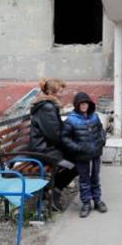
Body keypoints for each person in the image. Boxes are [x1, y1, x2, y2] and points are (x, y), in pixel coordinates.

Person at [29, 78, 77, 211]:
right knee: (78, 161)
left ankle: (52, 190)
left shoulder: (48, 105)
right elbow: (54, 135)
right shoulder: (47, 107)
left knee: (79, 156)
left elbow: (56, 130)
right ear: (50, 91)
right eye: (60, 91)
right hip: (42, 150)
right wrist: (70, 143)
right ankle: (53, 190)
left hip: (46, 147)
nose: (63, 93)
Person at [61, 92, 107, 218]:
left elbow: (101, 129)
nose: (84, 105)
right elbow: (65, 138)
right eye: (81, 103)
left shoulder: (94, 117)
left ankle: (97, 201)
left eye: (85, 103)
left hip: (95, 153)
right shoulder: (71, 120)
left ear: (89, 104)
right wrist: (77, 148)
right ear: (77, 105)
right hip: (82, 156)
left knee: (95, 177)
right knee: (84, 179)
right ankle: (86, 203)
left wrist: (102, 141)